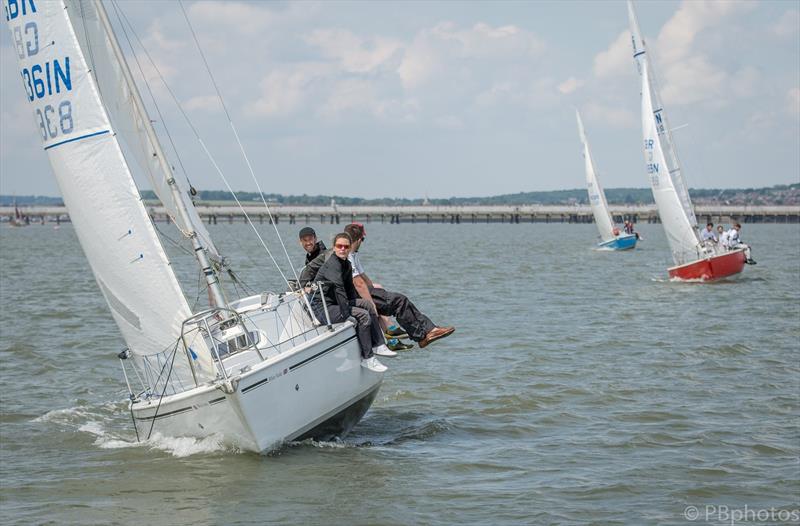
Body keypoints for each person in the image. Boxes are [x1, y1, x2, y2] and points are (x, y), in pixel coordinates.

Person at [343, 223, 455, 349]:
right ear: (358, 240)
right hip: (353, 296)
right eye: (362, 240)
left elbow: (364, 277)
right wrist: (371, 303)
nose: (362, 242)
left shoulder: (352, 254)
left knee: (392, 297)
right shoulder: (348, 256)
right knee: (399, 301)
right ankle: (424, 335)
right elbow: (358, 283)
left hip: (355, 293)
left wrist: (378, 292)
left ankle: (427, 331)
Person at [310, 233, 392, 372]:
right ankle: (368, 358)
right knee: (362, 315)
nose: (342, 249)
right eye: (339, 246)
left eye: (346, 246)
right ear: (334, 248)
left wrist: (357, 302)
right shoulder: (333, 265)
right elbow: (340, 291)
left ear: (349, 249)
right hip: (321, 309)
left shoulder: (346, 264)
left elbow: (349, 291)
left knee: (367, 305)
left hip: (334, 304)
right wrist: (348, 314)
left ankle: (378, 344)